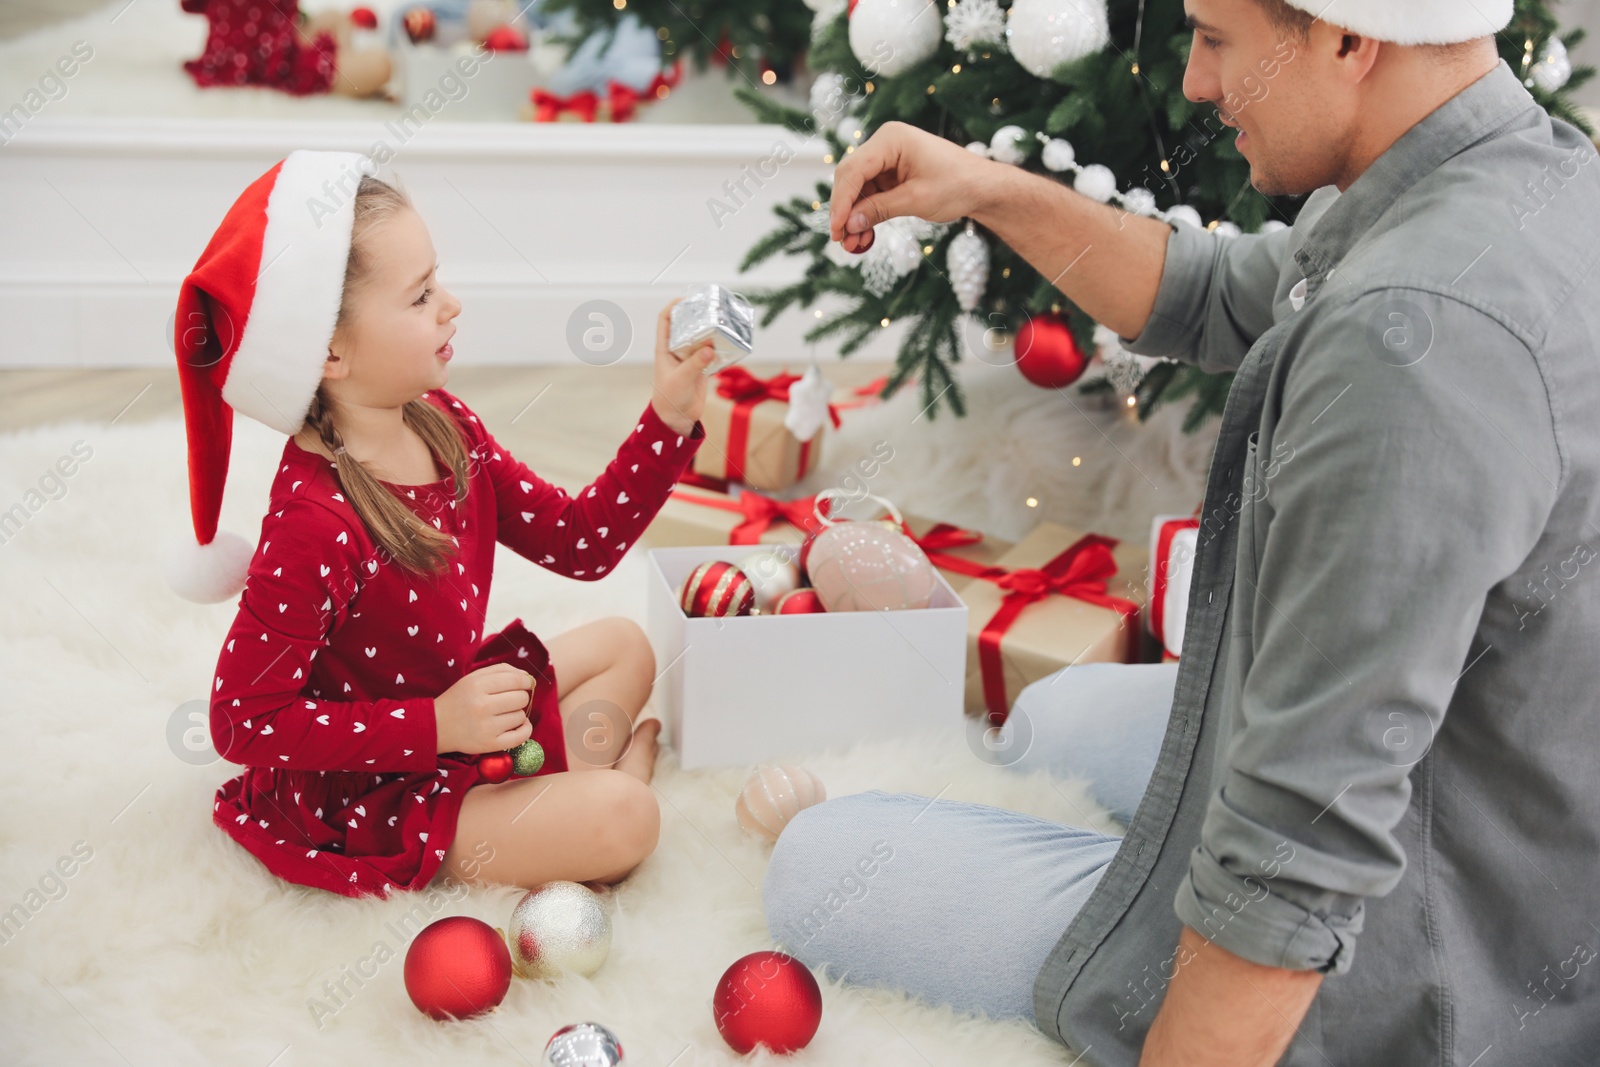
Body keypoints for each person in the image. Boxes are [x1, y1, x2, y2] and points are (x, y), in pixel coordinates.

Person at [764, 0, 1600, 1063]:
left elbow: (1298, 844)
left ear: (1349, 37)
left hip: (1427, 961)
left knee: (816, 862)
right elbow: (1212, 291)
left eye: (1214, 38)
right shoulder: (1525, 173)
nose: (1197, 84)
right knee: (1059, 712)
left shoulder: (1417, 345)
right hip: (1508, 803)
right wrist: (985, 186)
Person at [167, 150, 717, 899]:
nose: (451, 305)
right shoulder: (314, 522)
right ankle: (574, 800)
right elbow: (242, 722)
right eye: (422, 295)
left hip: (455, 724)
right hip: (368, 795)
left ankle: (538, 804)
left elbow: (580, 542)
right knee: (628, 816)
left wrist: (670, 414)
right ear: (328, 350)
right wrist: (434, 726)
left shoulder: (444, 425)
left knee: (626, 645)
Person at [180, 1, 392, 98]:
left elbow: (190, 5)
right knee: (382, 65)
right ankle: (345, 75)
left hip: (277, 40)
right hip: (271, 64)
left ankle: (345, 68)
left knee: (334, 18)